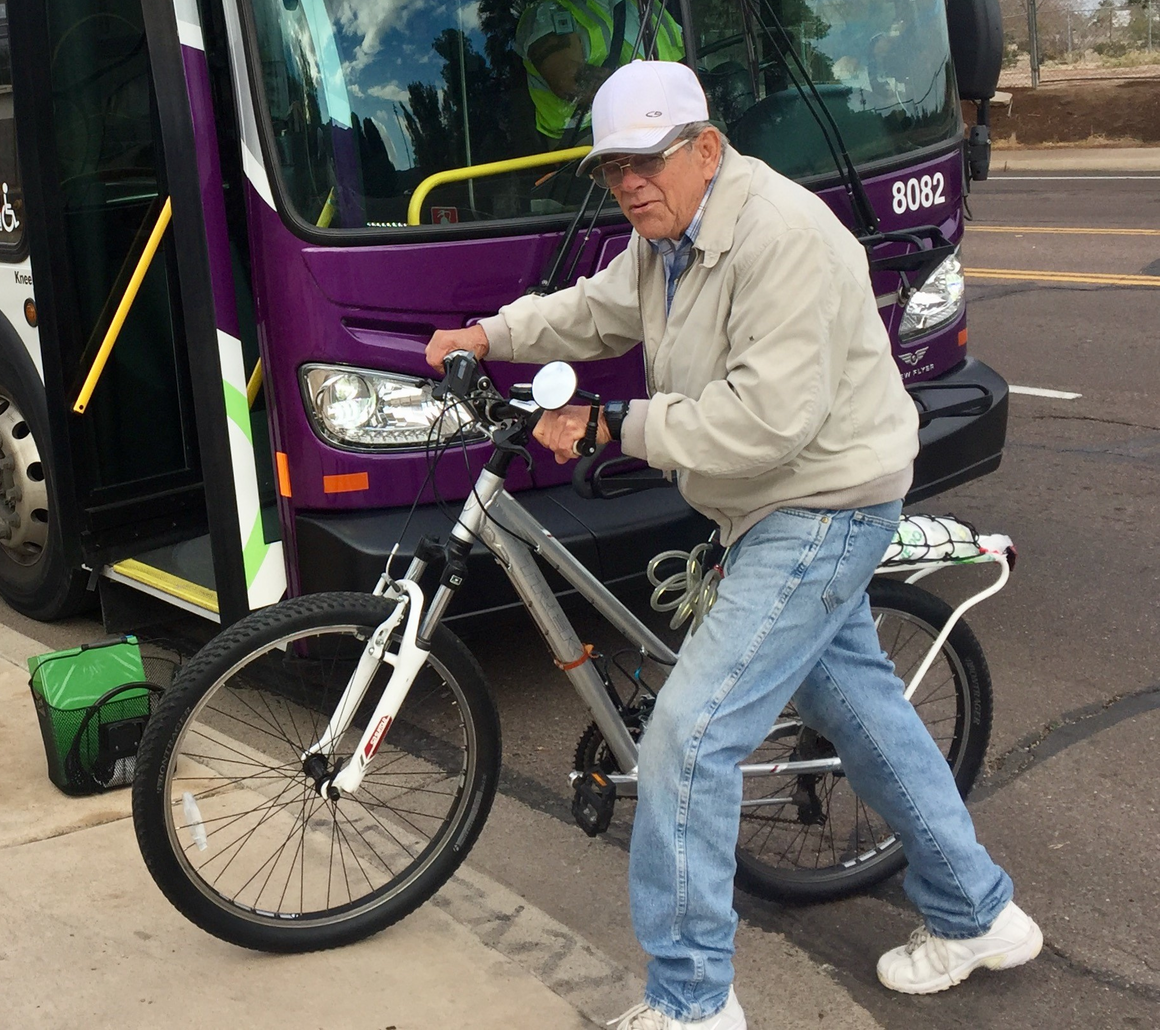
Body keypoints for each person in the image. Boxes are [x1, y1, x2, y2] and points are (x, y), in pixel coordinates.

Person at [424, 59, 1037, 1030]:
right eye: (609, 167)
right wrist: (492, 334)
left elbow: (765, 424)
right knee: (861, 712)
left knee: (689, 738)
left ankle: (692, 1000)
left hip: (824, 504)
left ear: (706, 149)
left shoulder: (781, 237)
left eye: (646, 160)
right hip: (768, 507)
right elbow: (593, 309)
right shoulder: (665, 237)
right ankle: (977, 911)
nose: (627, 182)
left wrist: (604, 429)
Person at [518, 0, 684, 145]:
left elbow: (685, 59)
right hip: (586, 137)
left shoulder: (646, 0)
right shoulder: (549, 11)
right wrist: (652, 94)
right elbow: (570, 82)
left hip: (662, 120)